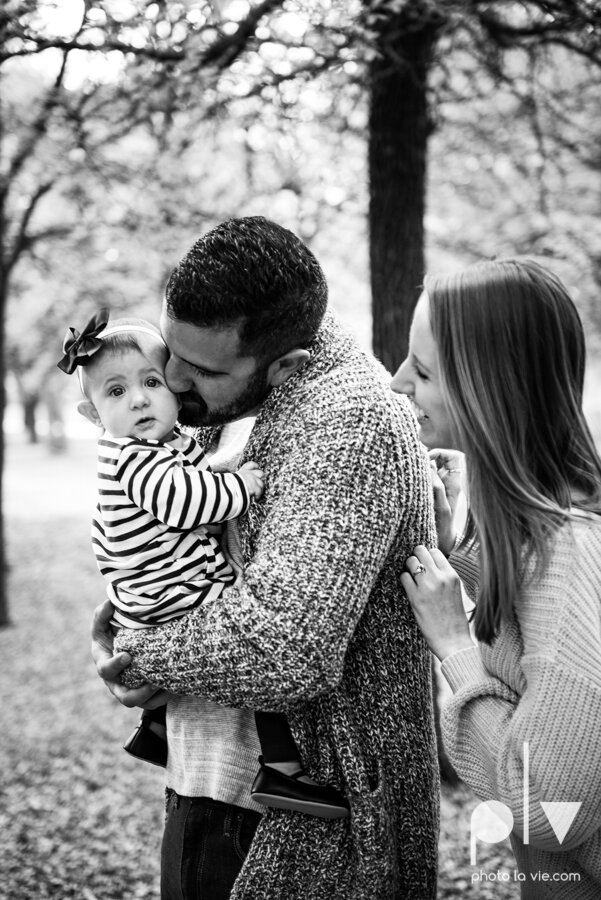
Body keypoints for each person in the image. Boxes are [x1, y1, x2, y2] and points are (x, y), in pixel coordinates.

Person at [91, 216, 439, 899]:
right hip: (214, 778)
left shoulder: (348, 421)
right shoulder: (237, 383)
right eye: (172, 352)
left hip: (293, 823)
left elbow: (285, 649)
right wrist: (124, 617)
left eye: (202, 371)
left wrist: (138, 649)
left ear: (285, 367)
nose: (170, 379)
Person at [58, 312, 348, 816]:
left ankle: (156, 728)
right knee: (253, 631)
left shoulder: (165, 441)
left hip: (162, 588)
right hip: (175, 590)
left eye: (150, 381)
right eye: (116, 393)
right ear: (91, 413)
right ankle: (281, 769)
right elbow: (187, 502)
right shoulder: (133, 456)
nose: (140, 399)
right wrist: (240, 486)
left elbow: (189, 474)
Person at [392, 258, 601, 898]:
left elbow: (547, 808)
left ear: (489, 391)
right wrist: (456, 551)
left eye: (422, 372)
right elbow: (533, 624)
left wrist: (455, 649)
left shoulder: (574, 556)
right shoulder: (541, 535)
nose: (398, 383)